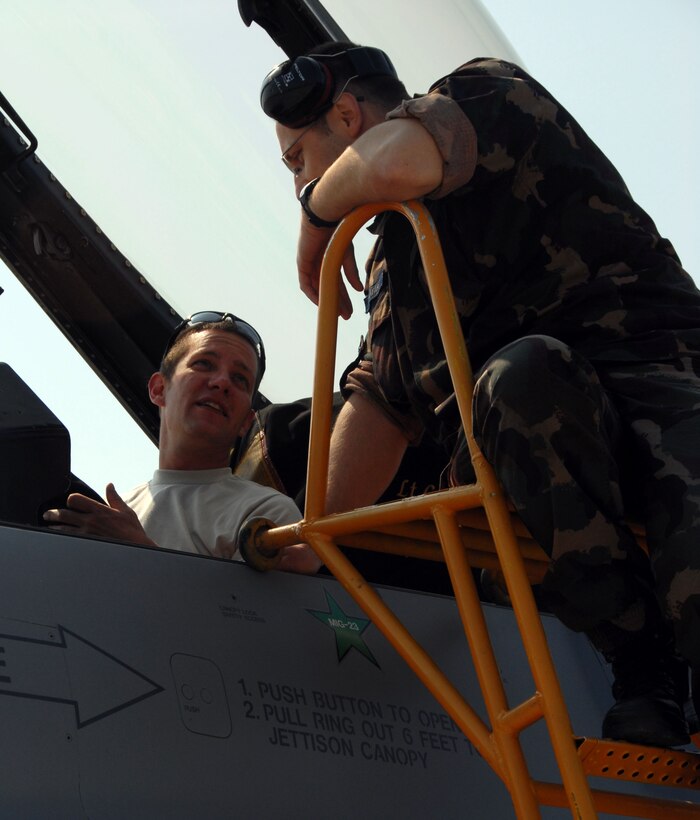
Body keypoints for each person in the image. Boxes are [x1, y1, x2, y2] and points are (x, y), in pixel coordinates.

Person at [260, 42, 700, 745]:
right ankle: (640, 661)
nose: (300, 183)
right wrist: (313, 539)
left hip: (667, 384)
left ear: (346, 116)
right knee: (517, 380)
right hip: (555, 451)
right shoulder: (397, 262)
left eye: (296, 161)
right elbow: (382, 406)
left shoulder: (481, 98)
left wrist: (316, 220)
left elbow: (400, 159)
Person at [43, 311, 319, 574]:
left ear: (246, 422)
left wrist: (138, 551)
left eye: (240, 379)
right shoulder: (117, 511)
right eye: (204, 364)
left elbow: (248, 621)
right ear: (159, 388)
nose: (222, 382)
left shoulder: (265, 513)